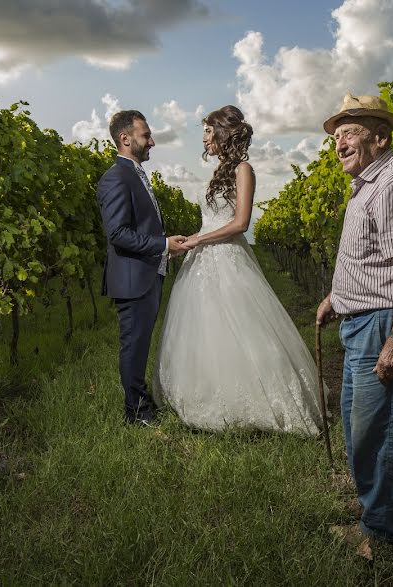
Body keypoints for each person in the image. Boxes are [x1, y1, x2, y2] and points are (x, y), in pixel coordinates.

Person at [152, 105, 324, 435]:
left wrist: (199, 240)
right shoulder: (218, 171)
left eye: (207, 130)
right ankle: (203, 396)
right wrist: (196, 240)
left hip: (227, 256)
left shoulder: (244, 169)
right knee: (203, 329)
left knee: (239, 327)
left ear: (223, 133)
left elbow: (241, 223)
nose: (203, 137)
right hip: (203, 258)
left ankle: (251, 405)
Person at [316, 94, 393, 545]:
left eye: (351, 133)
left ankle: (383, 530)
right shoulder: (370, 184)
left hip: (384, 324)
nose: (339, 143)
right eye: (336, 136)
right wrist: (337, 295)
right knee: (357, 423)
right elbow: (375, 259)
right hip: (364, 317)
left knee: (376, 428)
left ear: (381, 138)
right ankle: (375, 505)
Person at [96, 110, 189, 426]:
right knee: (134, 345)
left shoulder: (134, 174)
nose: (152, 141)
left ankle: (141, 404)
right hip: (132, 278)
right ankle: (136, 413)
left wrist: (164, 247)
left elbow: (142, 227)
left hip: (146, 274)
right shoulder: (115, 177)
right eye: (146, 135)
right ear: (125, 139)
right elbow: (118, 234)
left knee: (140, 343)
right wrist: (163, 246)